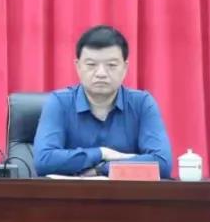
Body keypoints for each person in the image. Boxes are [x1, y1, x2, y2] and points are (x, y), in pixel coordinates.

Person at [33, 25, 171, 178]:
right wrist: (101, 153)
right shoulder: (59, 103)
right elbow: (43, 161)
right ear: (78, 67)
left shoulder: (142, 103)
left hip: (127, 193)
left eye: (111, 65)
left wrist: (103, 169)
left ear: (125, 68)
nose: (101, 73)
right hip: (71, 193)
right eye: (91, 65)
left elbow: (162, 163)